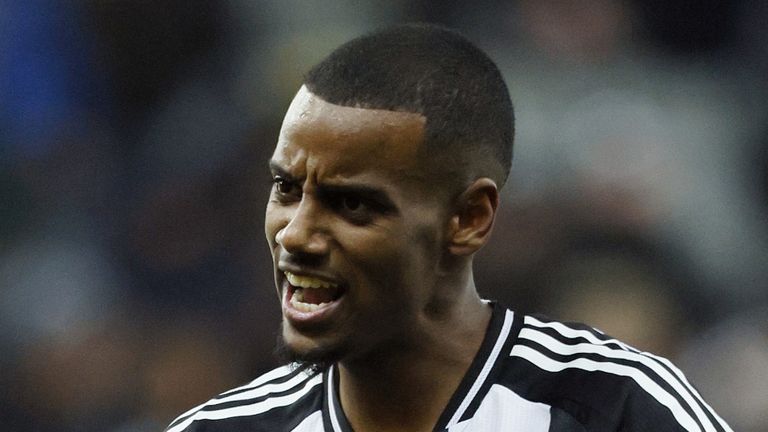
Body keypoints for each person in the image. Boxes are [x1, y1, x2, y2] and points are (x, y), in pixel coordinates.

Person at [165, 23, 732, 432]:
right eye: (287, 189)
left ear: (468, 219)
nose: (295, 235)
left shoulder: (616, 407)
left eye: (353, 205)